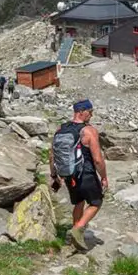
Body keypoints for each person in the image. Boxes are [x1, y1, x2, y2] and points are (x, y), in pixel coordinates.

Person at [49, 98, 109, 251]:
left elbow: (52, 154)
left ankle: (75, 237)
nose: (92, 115)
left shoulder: (60, 129)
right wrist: (103, 177)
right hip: (86, 173)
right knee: (96, 202)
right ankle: (78, 229)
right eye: (90, 112)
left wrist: (54, 175)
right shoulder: (89, 131)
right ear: (81, 112)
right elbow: (97, 159)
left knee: (79, 202)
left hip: (69, 175)